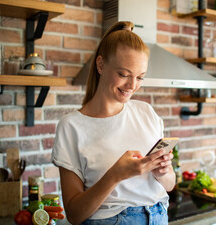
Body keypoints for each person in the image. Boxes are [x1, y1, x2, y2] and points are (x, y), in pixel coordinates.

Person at [52, 21, 175, 225]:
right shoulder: (71, 126)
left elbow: (170, 185)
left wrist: (163, 172)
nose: (132, 85)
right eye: (124, 75)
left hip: (159, 217)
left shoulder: (146, 113)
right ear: (101, 65)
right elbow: (74, 214)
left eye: (140, 77)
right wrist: (116, 175)